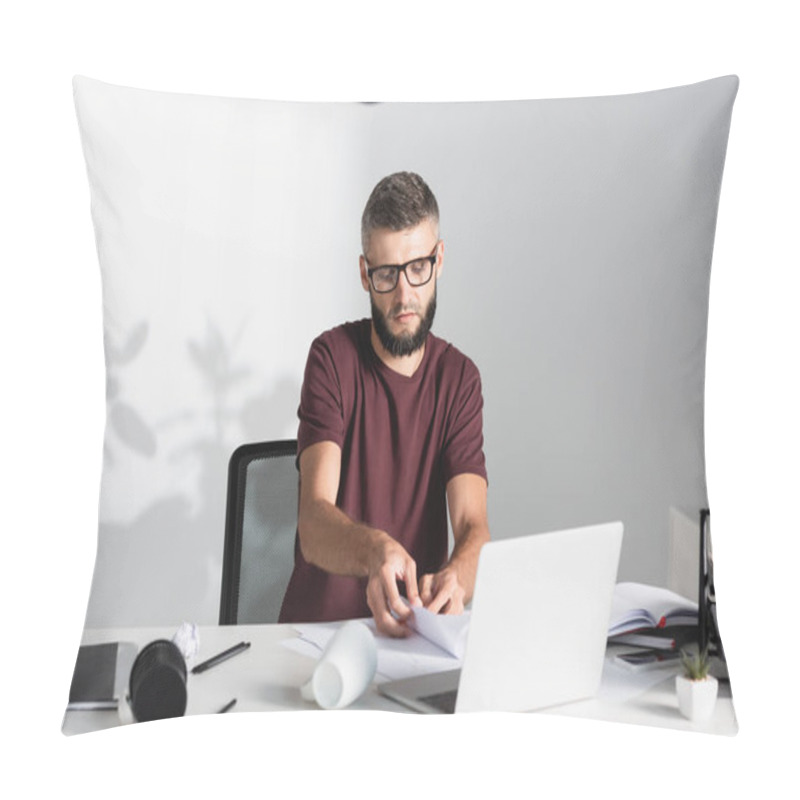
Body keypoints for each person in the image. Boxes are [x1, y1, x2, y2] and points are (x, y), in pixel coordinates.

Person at [278, 171, 490, 637]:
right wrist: (376, 550)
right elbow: (314, 522)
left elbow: (474, 527)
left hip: (414, 637)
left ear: (439, 259)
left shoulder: (459, 380)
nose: (404, 294)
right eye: (386, 274)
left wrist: (459, 575)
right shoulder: (331, 360)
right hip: (317, 640)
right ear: (363, 273)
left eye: (418, 268)